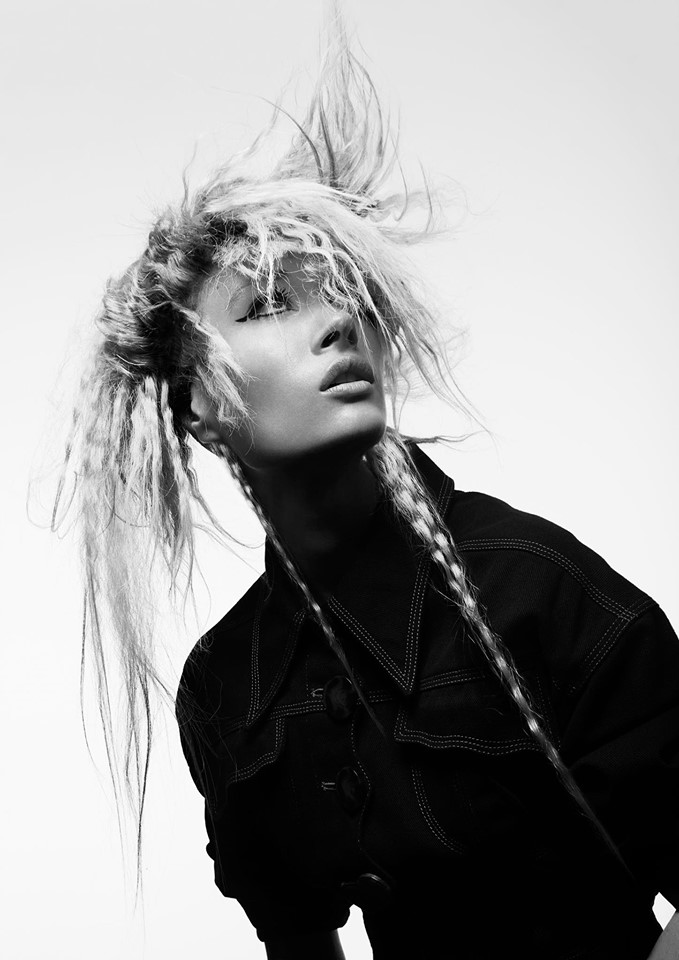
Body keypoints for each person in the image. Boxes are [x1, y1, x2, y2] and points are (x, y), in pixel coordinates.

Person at [51, 17, 679, 960]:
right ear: (198, 411)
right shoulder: (227, 689)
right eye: (269, 304)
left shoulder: (539, 589)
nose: (339, 321)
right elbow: (297, 942)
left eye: (342, 290)